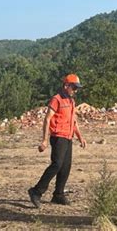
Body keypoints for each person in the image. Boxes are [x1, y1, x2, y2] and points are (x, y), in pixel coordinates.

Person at [28, 73, 86, 208]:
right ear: (66, 85)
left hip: (68, 137)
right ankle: (36, 191)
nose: (76, 90)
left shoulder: (71, 101)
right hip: (58, 136)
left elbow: (74, 121)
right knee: (57, 164)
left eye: (77, 88)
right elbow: (47, 119)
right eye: (74, 87)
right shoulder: (56, 99)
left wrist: (80, 137)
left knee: (66, 167)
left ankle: (58, 195)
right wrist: (44, 140)